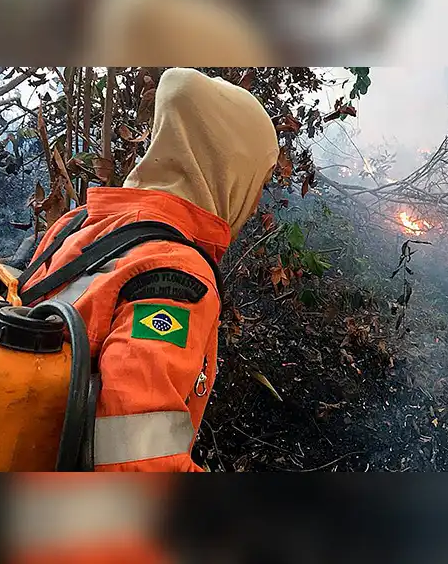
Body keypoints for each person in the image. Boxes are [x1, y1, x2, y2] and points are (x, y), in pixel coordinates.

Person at [20, 67, 279, 472]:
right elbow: (139, 462)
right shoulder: (177, 274)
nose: (257, 198)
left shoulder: (79, 224)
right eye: (258, 181)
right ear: (231, 171)